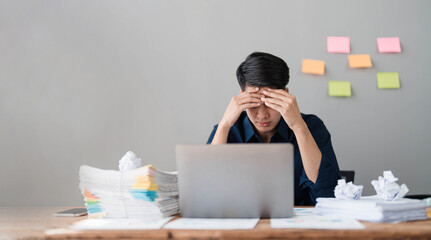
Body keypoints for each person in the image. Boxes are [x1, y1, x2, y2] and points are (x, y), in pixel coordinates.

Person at [207, 52, 341, 206]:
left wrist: (298, 126)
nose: (262, 115)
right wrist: (224, 125)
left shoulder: (311, 127)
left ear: (286, 96)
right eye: (254, 103)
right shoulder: (226, 131)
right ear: (241, 98)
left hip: (299, 227)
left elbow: (329, 196)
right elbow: (207, 193)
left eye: (270, 103)